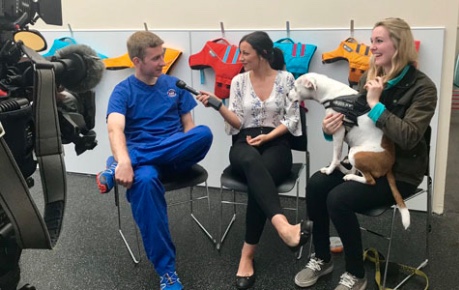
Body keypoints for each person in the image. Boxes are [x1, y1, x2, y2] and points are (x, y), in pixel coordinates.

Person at [294, 18, 437, 290]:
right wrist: (328, 128)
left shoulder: (424, 88)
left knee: (338, 199)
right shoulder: (369, 77)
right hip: (363, 164)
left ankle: (356, 275)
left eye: (379, 41)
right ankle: (322, 258)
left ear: (399, 45)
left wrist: (375, 105)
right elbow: (348, 122)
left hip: (402, 172)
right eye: (372, 41)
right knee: (316, 184)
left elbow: (408, 136)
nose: (372, 47)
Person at [96, 31, 213, 290]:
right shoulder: (123, 91)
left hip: (172, 157)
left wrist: (125, 161)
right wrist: (127, 158)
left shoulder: (175, 86)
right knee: (145, 180)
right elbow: (115, 129)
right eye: (156, 58)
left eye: (163, 55)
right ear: (137, 61)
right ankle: (167, 272)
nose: (163, 62)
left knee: (203, 134)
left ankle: (119, 164)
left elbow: (189, 128)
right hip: (145, 166)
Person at [197, 30, 312, 290]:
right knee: (251, 162)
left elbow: (292, 119)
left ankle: (246, 256)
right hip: (244, 143)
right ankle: (284, 227)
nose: (241, 57)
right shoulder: (238, 81)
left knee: (260, 180)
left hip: (277, 142)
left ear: (263, 55)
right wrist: (217, 105)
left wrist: (269, 135)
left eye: (245, 53)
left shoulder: (286, 78)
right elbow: (238, 122)